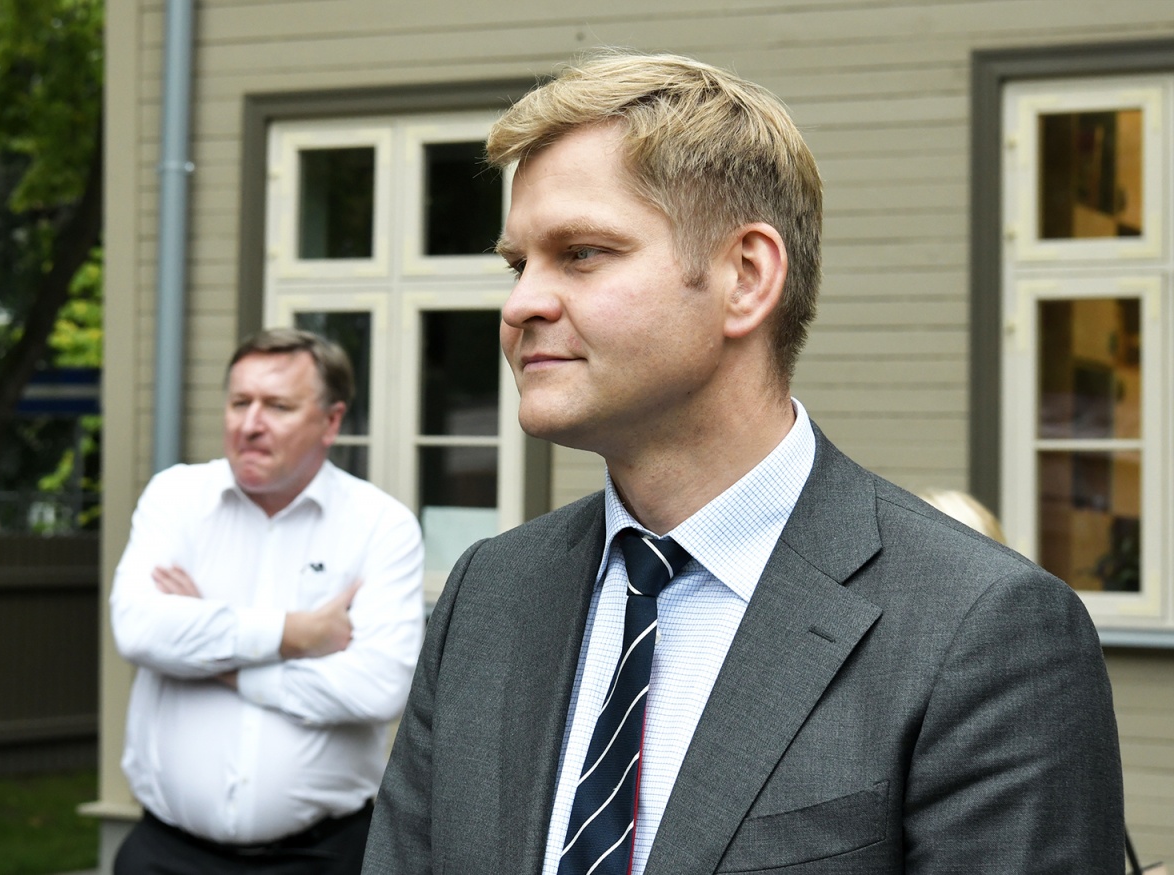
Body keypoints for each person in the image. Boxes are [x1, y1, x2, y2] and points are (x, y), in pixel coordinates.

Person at [362, 51, 1124, 874]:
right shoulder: (490, 594)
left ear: (746, 276)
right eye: (519, 265)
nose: (521, 304)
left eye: (580, 253)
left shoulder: (979, 628)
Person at [111, 328, 424, 874]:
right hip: (166, 855)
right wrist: (295, 635)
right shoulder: (176, 498)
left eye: (277, 406)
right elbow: (138, 629)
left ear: (331, 421)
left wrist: (216, 659)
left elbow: (377, 688)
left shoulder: (381, 526)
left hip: (321, 857)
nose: (250, 424)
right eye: (239, 402)